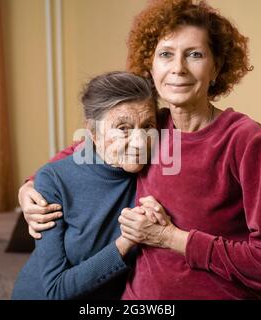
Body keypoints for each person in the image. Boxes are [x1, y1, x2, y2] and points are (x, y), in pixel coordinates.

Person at [19, 0, 261, 299]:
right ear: (150, 68)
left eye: (194, 54)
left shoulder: (244, 139)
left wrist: (171, 238)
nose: (178, 68)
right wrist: (29, 189)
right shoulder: (151, 128)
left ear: (216, 67)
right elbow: (86, 150)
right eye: (166, 54)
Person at [12, 71, 160, 300]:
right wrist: (127, 241)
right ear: (92, 133)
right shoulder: (53, 180)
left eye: (148, 125)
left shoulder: (157, 170)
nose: (140, 142)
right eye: (123, 128)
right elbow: (56, 290)